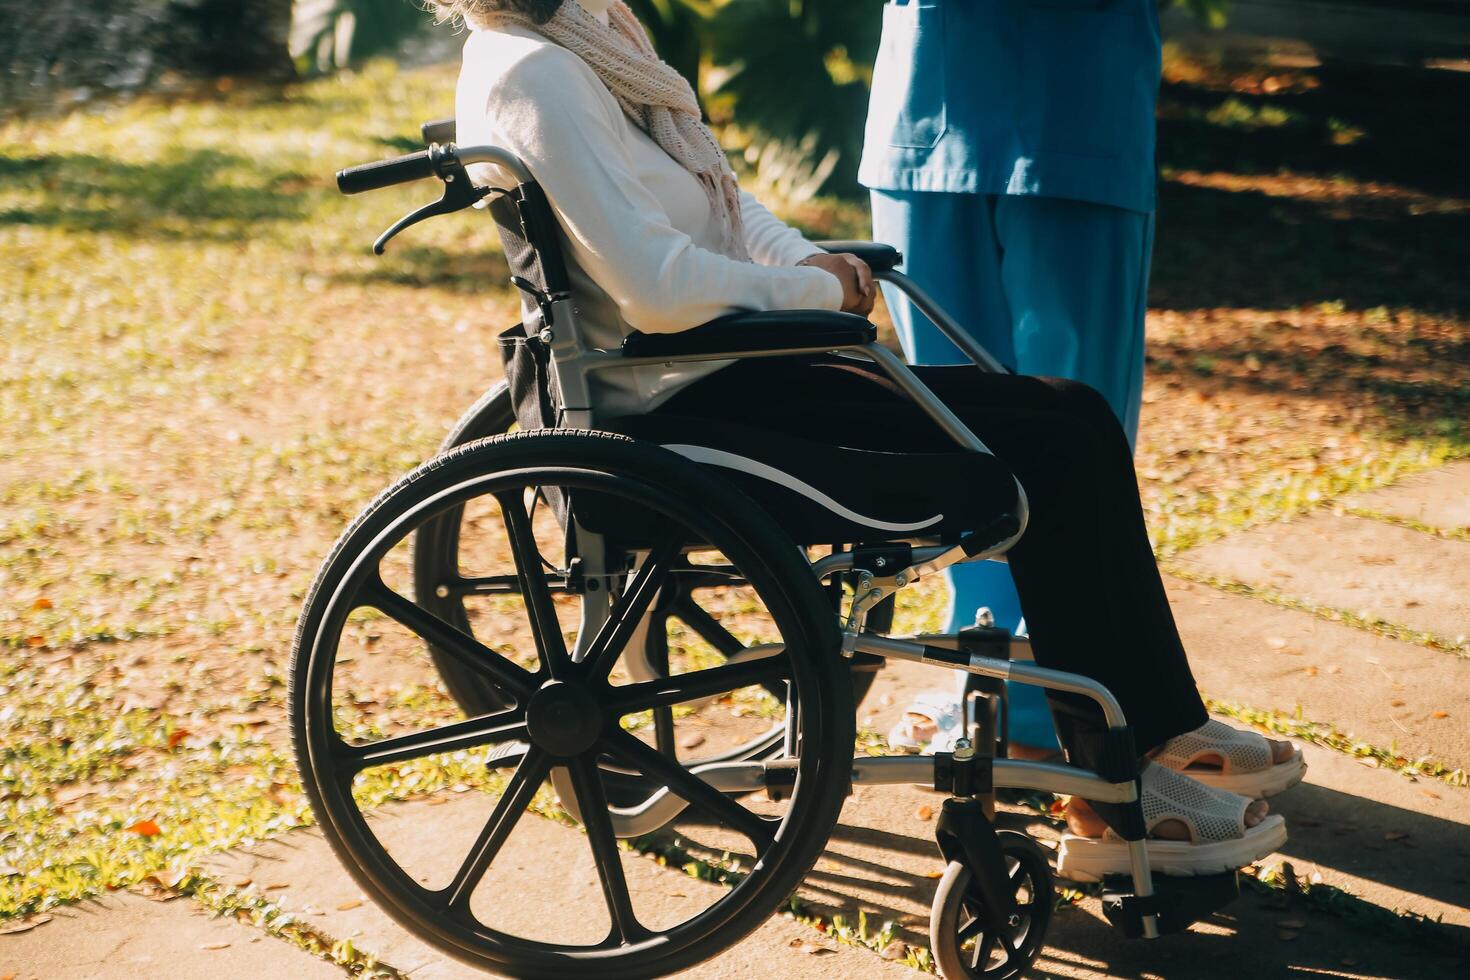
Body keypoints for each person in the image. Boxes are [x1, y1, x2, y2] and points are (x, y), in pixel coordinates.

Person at [438, 0, 1302, 877]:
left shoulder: (593, 39)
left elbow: (721, 211)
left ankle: (1156, 739)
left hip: (736, 377)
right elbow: (658, 292)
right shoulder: (534, 72)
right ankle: (1128, 792)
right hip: (687, 410)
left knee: (1071, 412)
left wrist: (816, 267)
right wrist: (818, 296)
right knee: (1046, 454)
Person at [859, 0, 1162, 754]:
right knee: (965, 433)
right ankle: (997, 689)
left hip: (1063, 111)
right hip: (943, 107)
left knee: (1071, 428)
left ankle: (1041, 710)